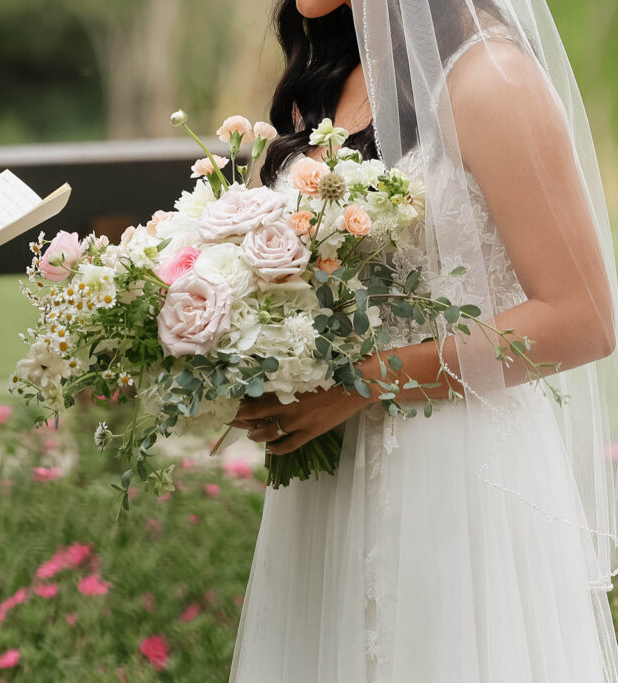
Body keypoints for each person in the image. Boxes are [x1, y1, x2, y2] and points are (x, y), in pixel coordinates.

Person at [229, 0, 618, 680]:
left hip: (454, 482)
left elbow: (580, 317)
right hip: (327, 483)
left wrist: (364, 382)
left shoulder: (491, 79)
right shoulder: (325, 81)